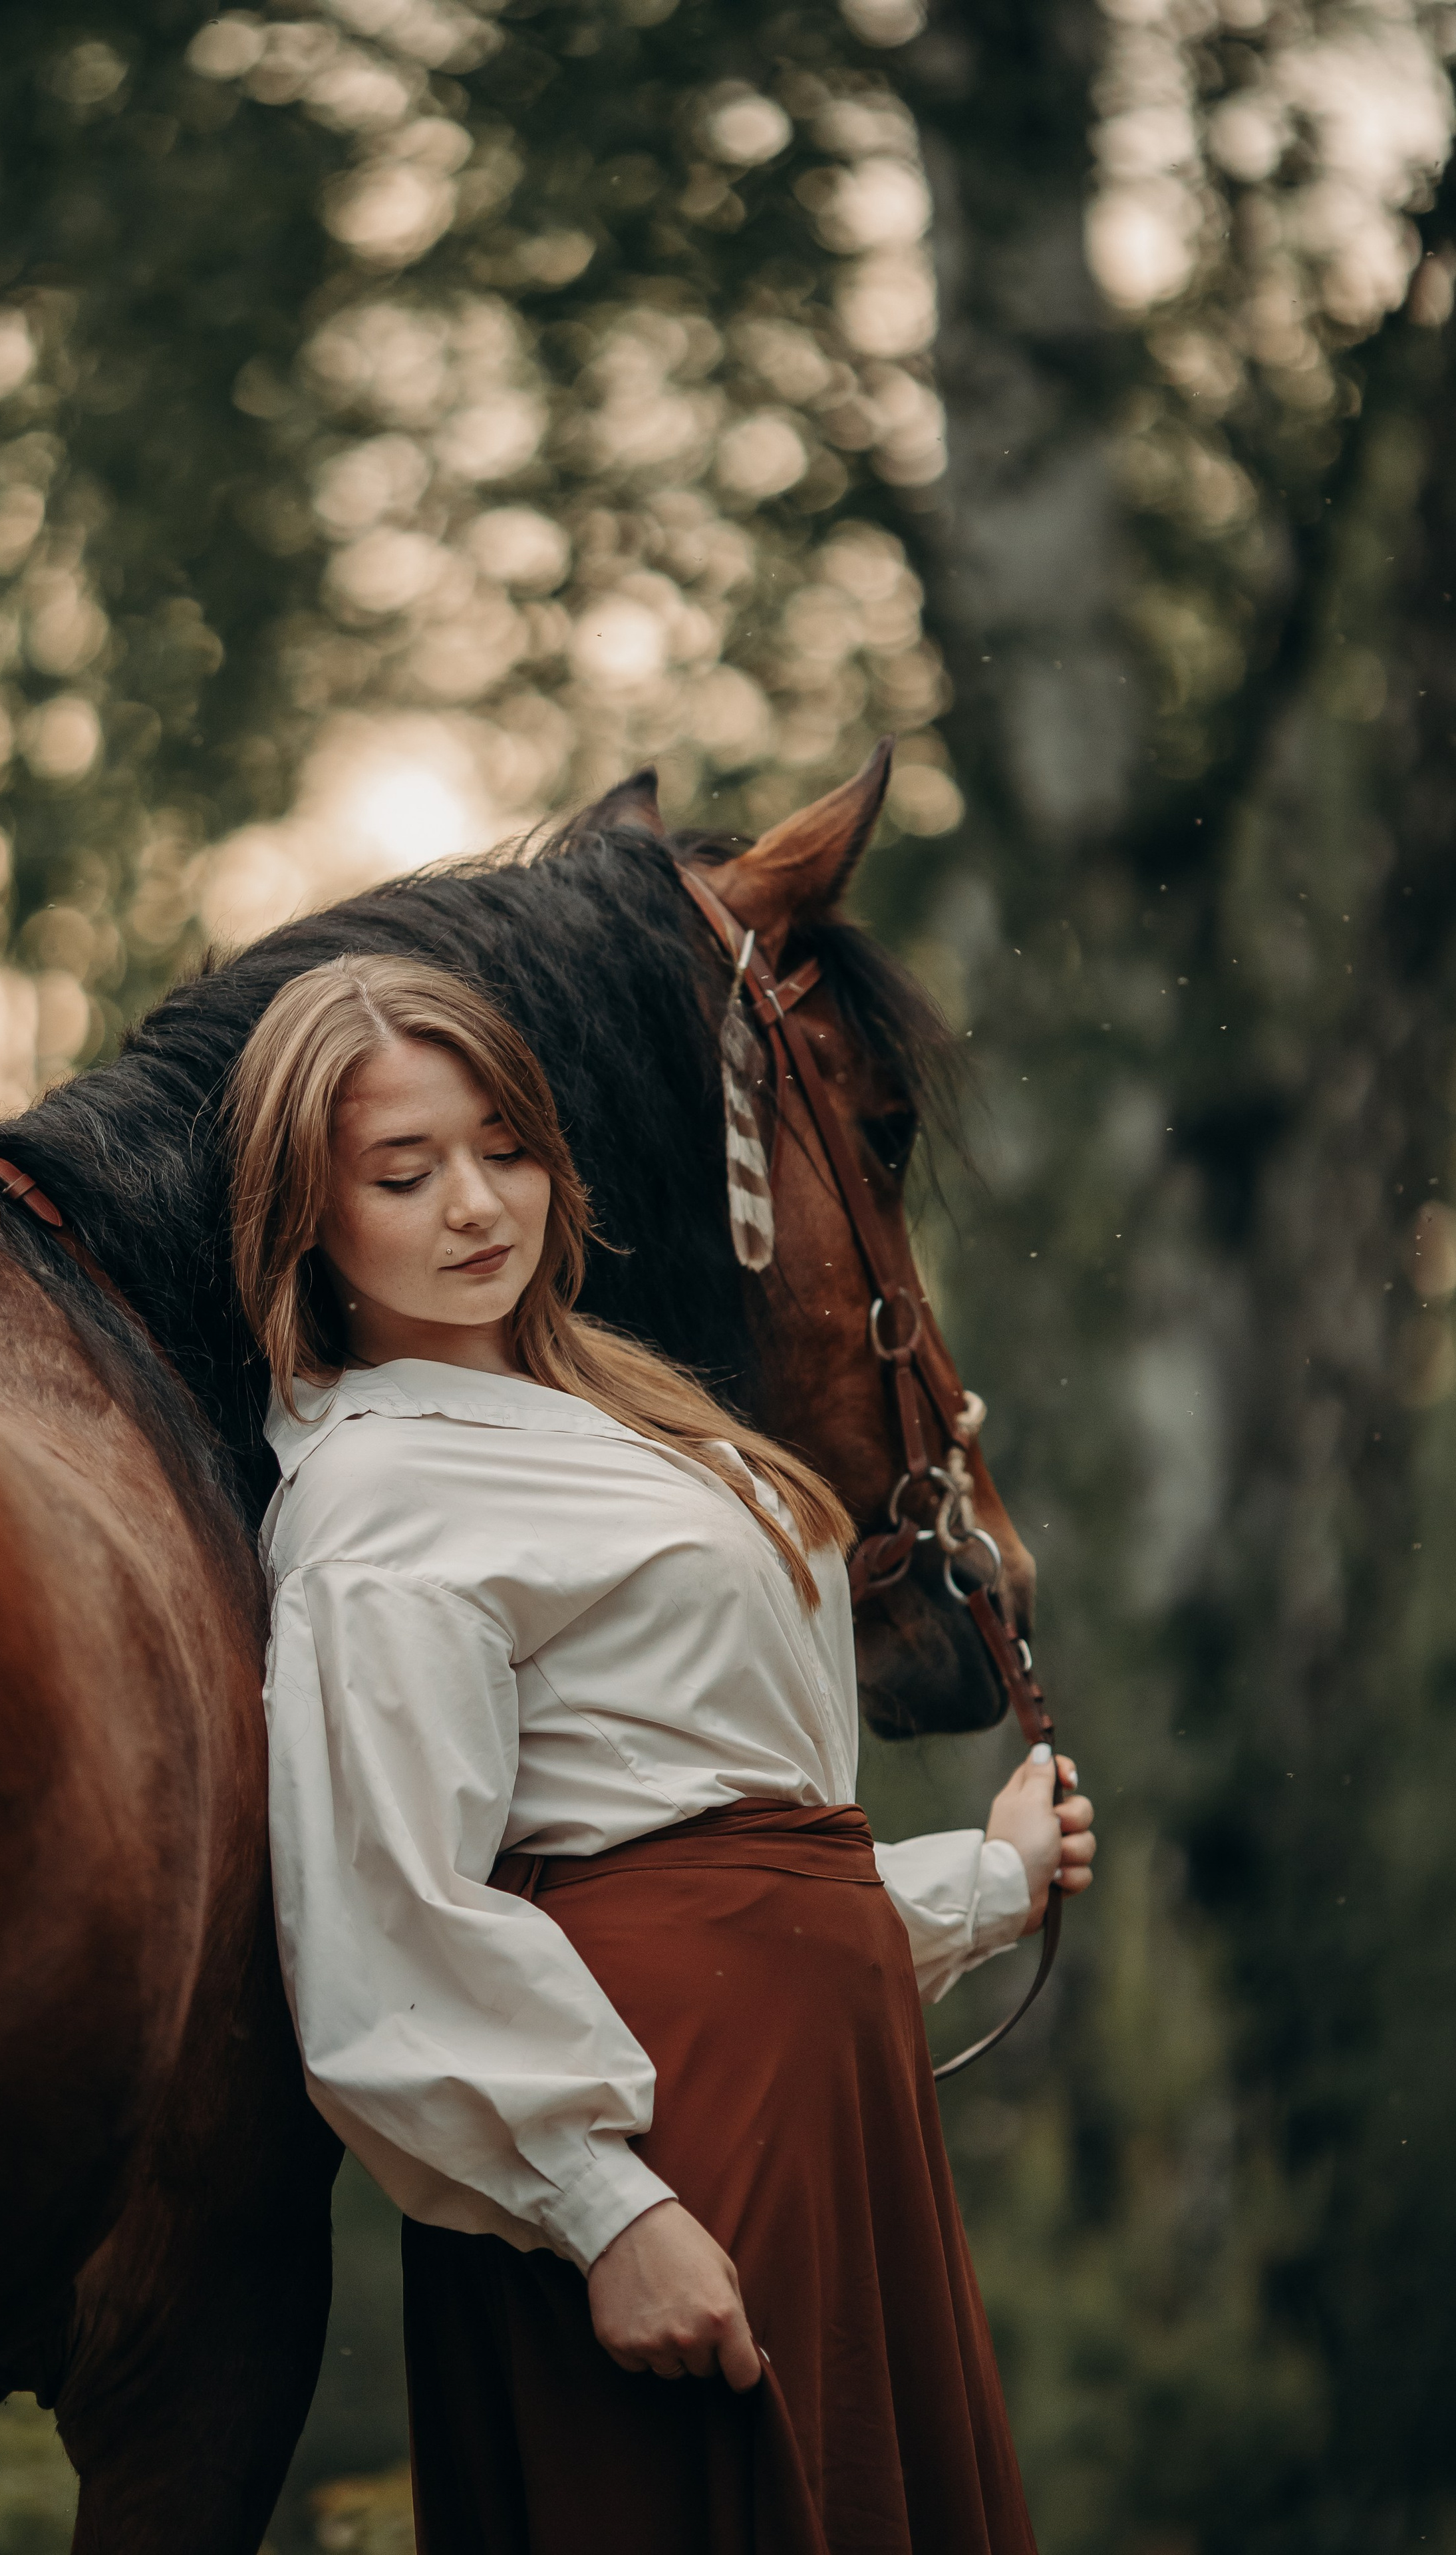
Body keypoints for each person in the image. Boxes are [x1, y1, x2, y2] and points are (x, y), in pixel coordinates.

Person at [227, 953, 1095, 2554]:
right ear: (305, 1217)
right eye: (403, 1174)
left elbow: (721, 1847)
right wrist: (604, 2209)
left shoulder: (616, 1409)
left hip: (799, 2079)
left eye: (504, 1148)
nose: (474, 1206)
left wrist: (984, 1882)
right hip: (659, 2130)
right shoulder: (375, 1502)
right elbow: (386, 1918)